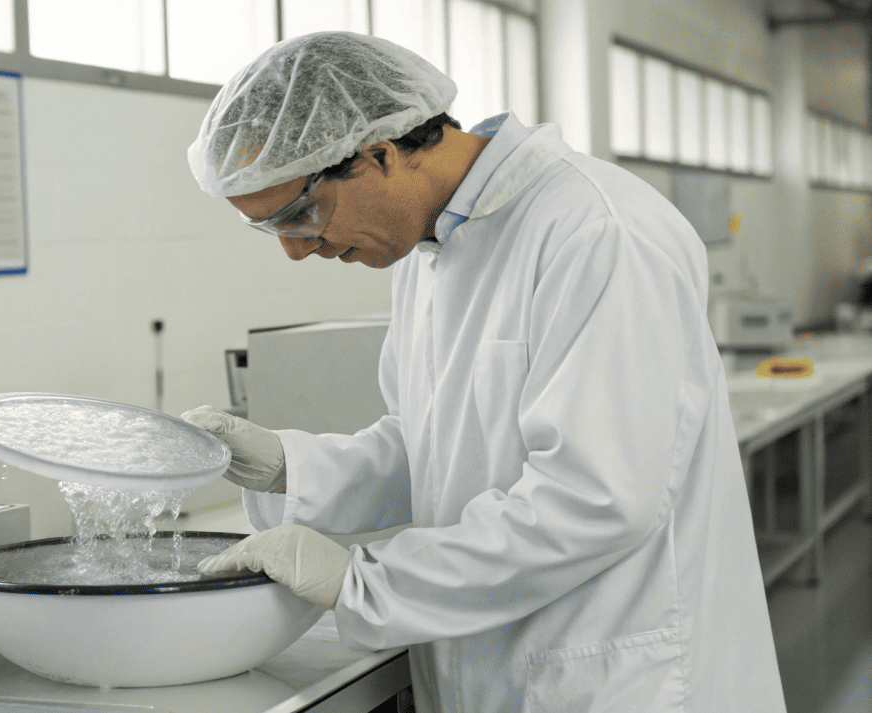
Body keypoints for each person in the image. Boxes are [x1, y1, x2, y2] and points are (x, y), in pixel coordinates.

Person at [181, 32, 786, 712]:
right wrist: (287, 465)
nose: (296, 250)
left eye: (301, 214)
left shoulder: (597, 230)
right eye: (271, 229)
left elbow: (594, 496)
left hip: (616, 677)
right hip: (498, 670)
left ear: (378, 152)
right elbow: (436, 449)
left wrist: (366, 583)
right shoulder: (431, 251)